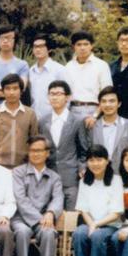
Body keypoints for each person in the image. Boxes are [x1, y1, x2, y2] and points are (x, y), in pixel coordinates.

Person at [12, 136, 63, 256]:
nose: (36, 154)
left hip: (44, 219)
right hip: (21, 218)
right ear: (28, 152)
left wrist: (50, 212)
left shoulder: (54, 177)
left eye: (40, 150)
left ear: (47, 153)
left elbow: (58, 198)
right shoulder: (18, 172)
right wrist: (40, 219)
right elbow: (20, 200)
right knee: (22, 232)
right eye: (32, 150)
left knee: (49, 232)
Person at [72, 145, 124, 256]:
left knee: (98, 236)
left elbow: (116, 213)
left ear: (107, 161)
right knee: (79, 234)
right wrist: (91, 224)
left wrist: (96, 225)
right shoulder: (84, 181)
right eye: (91, 160)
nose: (95, 164)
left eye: (99, 159)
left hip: (110, 225)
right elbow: (83, 209)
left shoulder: (116, 180)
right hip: (90, 223)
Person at [38, 80, 88, 210]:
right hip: (48, 177)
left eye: (59, 94)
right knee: (49, 214)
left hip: (71, 177)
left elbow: (83, 150)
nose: (54, 97)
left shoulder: (77, 121)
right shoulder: (42, 121)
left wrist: (82, 167)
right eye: (51, 94)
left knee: (70, 216)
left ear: (67, 97)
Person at [0, 74, 38, 169]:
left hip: (23, 166)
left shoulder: (30, 114)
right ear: (2, 91)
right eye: (8, 88)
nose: (11, 92)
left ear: (21, 91)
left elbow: (34, 140)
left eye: (15, 88)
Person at [64, 30, 112, 125]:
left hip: (94, 111)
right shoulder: (68, 66)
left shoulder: (101, 65)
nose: (82, 48)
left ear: (91, 46)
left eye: (86, 44)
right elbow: (65, 94)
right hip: (72, 110)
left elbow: (107, 93)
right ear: (73, 47)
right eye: (79, 44)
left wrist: (95, 116)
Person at [88, 86, 128, 173]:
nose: (107, 105)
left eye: (112, 101)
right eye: (104, 101)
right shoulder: (92, 126)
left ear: (119, 104)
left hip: (122, 173)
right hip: (98, 173)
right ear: (99, 104)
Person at [0, 25, 29, 109]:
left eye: (9, 38)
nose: (5, 41)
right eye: (2, 38)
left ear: (15, 41)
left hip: (15, 110)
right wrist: (12, 93)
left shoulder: (22, 65)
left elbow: (22, 89)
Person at [29, 34, 66, 120]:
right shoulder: (31, 71)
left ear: (49, 49)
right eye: (35, 47)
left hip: (54, 118)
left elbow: (68, 94)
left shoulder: (59, 70)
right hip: (35, 118)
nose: (38, 49)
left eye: (41, 46)